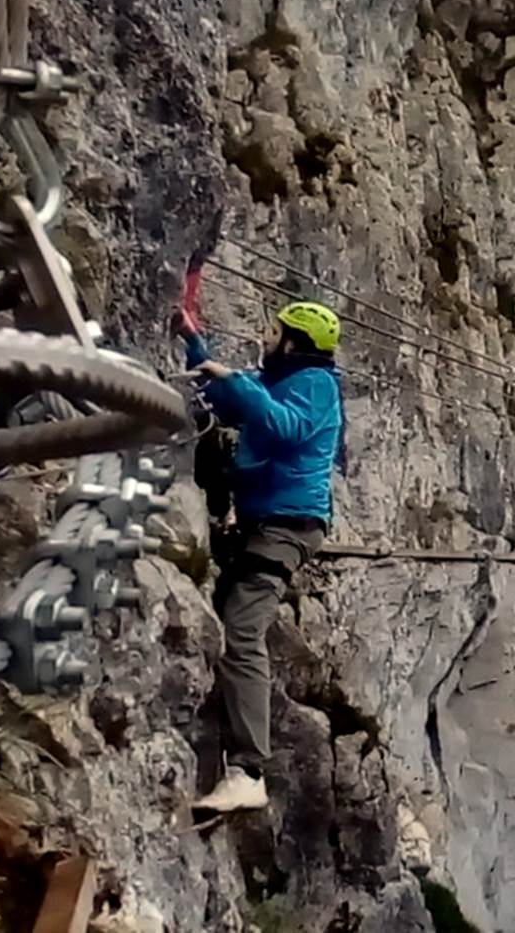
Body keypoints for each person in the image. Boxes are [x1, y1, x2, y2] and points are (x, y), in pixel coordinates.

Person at [179, 300, 344, 813]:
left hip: (288, 525)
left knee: (243, 629)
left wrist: (234, 380)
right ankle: (233, 744)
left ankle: (249, 770)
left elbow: (281, 426)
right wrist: (193, 345)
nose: (264, 336)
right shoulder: (280, 379)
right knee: (230, 615)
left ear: (294, 342)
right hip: (269, 522)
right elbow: (232, 403)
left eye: (273, 330)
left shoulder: (316, 384)